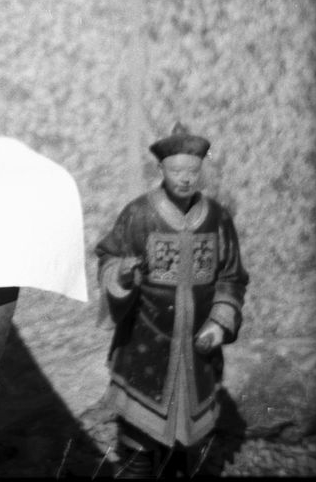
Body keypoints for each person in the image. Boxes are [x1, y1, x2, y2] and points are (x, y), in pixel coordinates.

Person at [95, 123, 249, 477]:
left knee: (185, 446)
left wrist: (219, 322)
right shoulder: (139, 214)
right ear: (161, 169)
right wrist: (122, 274)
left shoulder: (218, 218)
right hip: (144, 345)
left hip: (197, 350)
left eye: (193, 170)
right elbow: (109, 257)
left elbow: (231, 277)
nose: (185, 178)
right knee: (137, 445)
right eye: (177, 171)